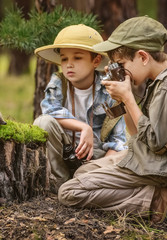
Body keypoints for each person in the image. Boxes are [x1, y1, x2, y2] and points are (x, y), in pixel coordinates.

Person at [58, 16, 167, 223]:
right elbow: (136, 133)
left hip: (160, 168)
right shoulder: (158, 83)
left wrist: (128, 97)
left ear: (143, 57)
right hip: (146, 158)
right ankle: (148, 192)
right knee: (83, 171)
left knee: (69, 192)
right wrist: (122, 100)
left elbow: (154, 142)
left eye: (122, 64)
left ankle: (157, 202)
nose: (120, 70)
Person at [33, 24, 128, 191]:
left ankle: (85, 183)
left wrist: (103, 168)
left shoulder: (109, 89)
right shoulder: (58, 81)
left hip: (96, 158)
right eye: (64, 59)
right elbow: (49, 110)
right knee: (43, 122)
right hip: (63, 151)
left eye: (77, 58)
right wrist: (84, 127)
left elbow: (118, 140)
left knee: (125, 152)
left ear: (96, 61)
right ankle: (59, 183)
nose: (69, 64)